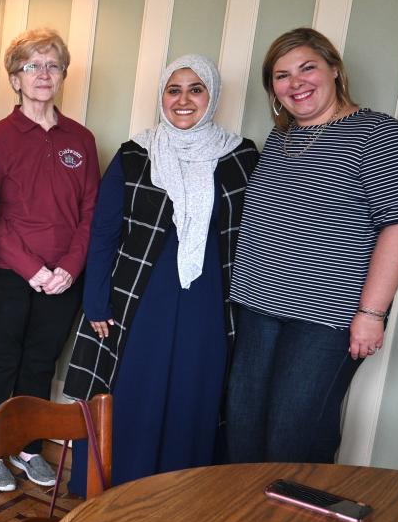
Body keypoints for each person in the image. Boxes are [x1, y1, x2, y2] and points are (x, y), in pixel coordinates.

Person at [226, 28, 398, 464]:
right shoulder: (279, 139)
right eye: (281, 76)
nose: (295, 82)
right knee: (242, 435)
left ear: (335, 70)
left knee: (294, 440)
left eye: (307, 68)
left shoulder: (379, 134)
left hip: (326, 319)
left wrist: (372, 314)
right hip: (257, 307)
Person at [65, 54, 259, 496]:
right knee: (134, 390)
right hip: (139, 296)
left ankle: (182, 495)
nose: (184, 100)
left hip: (210, 298)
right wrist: (95, 301)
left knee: (196, 390)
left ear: (212, 97)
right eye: (174, 90)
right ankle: (117, 489)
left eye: (196, 89)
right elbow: (104, 232)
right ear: (162, 97)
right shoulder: (136, 154)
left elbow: (256, 230)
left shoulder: (242, 155)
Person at [0, 28, 99, 492]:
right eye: (32, 66)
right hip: (7, 274)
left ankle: (27, 448)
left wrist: (68, 267)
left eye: (52, 66)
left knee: (40, 363)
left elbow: (90, 213)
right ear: (15, 78)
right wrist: (34, 269)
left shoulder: (80, 139)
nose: (43, 74)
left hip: (64, 279)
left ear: (63, 75)